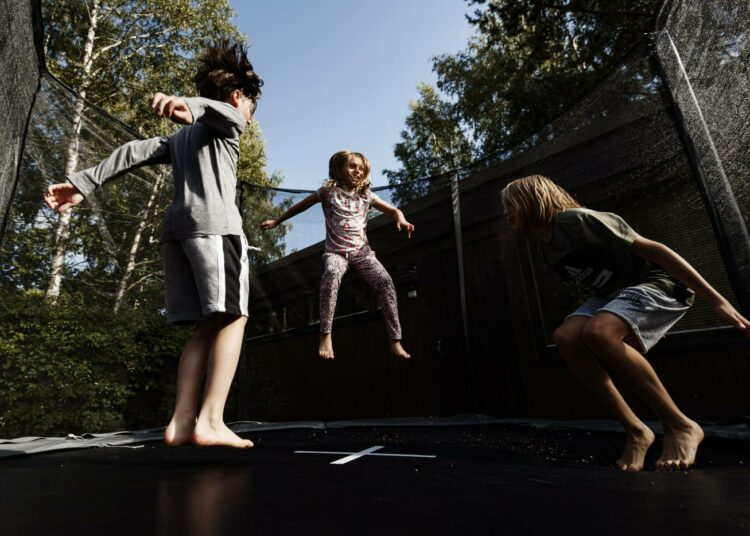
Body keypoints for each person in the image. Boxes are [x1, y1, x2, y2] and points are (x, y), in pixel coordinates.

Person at [43, 41, 262, 449]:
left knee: (206, 325)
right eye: (251, 107)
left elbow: (133, 151)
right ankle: (211, 420)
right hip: (216, 229)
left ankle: (181, 421)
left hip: (178, 232)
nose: (249, 115)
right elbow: (221, 112)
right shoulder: (230, 121)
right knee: (234, 318)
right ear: (238, 97)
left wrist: (83, 184)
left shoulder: (179, 139)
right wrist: (187, 105)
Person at [501, 174, 750, 471]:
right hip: (612, 294)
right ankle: (636, 430)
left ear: (531, 199)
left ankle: (680, 425)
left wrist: (717, 300)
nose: (506, 213)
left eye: (509, 204)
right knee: (567, 337)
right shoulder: (546, 248)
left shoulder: (578, 221)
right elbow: (595, 285)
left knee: (600, 332)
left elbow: (656, 250)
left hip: (657, 283)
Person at [260, 150, 414, 359]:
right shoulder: (327, 192)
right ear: (338, 169)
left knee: (386, 281)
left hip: (363, 253)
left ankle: (395, 341)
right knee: (331, 273)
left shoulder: (366, 195)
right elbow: (301, 206)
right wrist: (277, 221)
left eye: (361, 169)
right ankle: (325, 334)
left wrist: (402, 220)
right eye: (352, 167)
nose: (357, 172)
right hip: (336, 253)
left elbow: (394, 211)